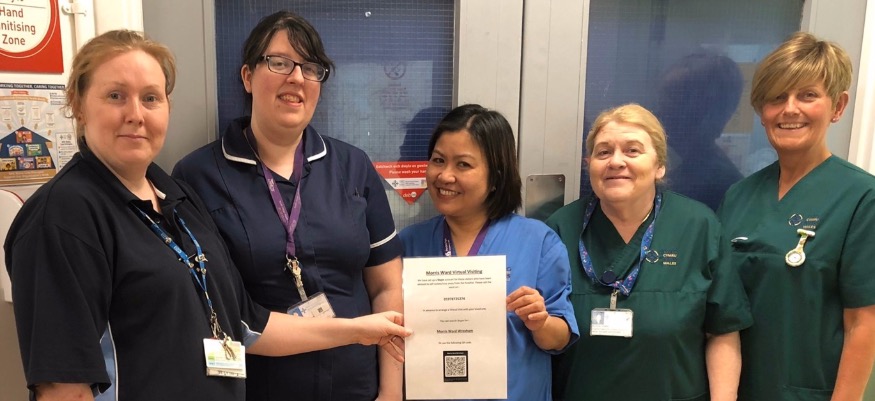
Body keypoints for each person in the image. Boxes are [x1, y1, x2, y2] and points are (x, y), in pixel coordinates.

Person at [3, 30, 411, 401]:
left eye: (151, 98)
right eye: (115, 96)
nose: (136, 114)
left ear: (167, 107)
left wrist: (358, 330)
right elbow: (64, 388)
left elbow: (246, 324)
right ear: (77, 104)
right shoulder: (62, 218)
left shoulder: (174, 197)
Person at [172, 11, 404, 401]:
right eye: (279, 63)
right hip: (258, 387)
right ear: (247, 76)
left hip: (355, 385)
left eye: (310, 68)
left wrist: (391, 391)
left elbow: (386, 286)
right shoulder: (198, 175)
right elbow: (207, 305)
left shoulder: (352, 166)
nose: (297, 77)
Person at [546, 103, 752, 401]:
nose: (616, 161)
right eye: (604, 152)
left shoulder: (697, 226)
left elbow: (723, 330)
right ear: (589, 164)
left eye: (632, 151)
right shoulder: (560, 229)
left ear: (659, 166)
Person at [718, 32, 875, 400]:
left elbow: (863, 324)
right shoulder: (739, 196)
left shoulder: (861, 198)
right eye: (776, 97)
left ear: (838, 106)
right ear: (761, 111)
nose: (790, 109)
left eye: (807, 95)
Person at [400, 104, 579, 400]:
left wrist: (541, 322)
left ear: (496, 177)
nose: (445, 176)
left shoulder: (538, 241)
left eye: (463, 165)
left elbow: (560, 339)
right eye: (438, 160)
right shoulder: (409, 243)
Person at [655, 51, 744, 210]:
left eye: (671, 101)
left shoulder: (719, 184)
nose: (658, 112)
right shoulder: (677, 162)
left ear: (703, 112)